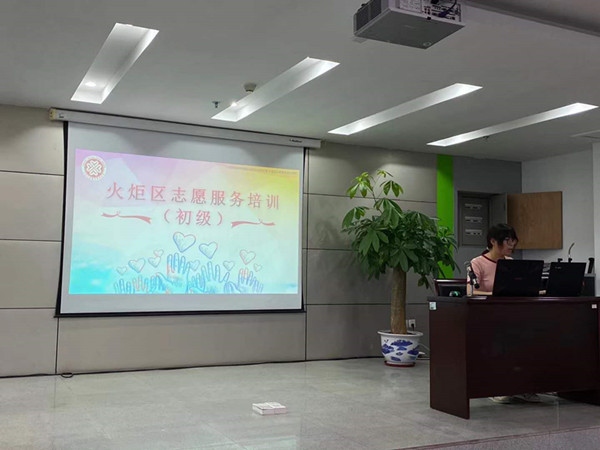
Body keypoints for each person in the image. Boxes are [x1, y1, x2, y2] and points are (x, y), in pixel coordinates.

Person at [468, 223, 542, 404]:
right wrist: (495, 294)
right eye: (507, 240)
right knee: (504, 340)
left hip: (512, 315)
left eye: (513, 240)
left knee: (534, 338)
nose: (512, 245)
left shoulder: (511, 263)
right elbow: (470, 292)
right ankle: (498, 387)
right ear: (493, 241)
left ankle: (523, 387)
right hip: (487, 316)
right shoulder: (477, 263)